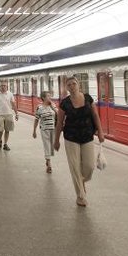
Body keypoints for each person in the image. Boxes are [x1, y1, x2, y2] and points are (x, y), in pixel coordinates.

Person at [53, 79, 105, 207]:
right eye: (69, 85)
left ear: (78, 85)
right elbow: (59, 123)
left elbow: (95, 115)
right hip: (71, 137)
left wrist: (100, 131)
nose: (71, 86)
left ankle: (82, 182)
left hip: (87, 136)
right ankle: (80, 196)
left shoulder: (88, 98)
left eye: (74, 84)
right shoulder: (64, 103)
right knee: (74, 167)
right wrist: (56, 140)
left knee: (89, 166)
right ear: (67, 88)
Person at [33, 91, 56, 174]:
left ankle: (47, 159)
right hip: (44, 129)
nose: (50, 98)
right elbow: (36, 119)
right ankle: (49, 164)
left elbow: (57, 114)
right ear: (43, 98)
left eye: (50, 96)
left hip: (53, 129)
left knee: (51, 147)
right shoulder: (39, 107)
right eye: (48, 96)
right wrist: (34, 131)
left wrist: (53, 107)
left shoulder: (53, 105)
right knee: (47, 146)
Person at [0, 81, 16, 151]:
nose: (3, 87)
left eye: (4, 86)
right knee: (0, 129)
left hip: (9, 114)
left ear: (7, 86)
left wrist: (16, 113)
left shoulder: (10, 94)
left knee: (7, 130)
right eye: (1, 85)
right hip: (0, 114)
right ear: (0, 86)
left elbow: (13, 104)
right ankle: (0, 139)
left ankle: (5, 144)